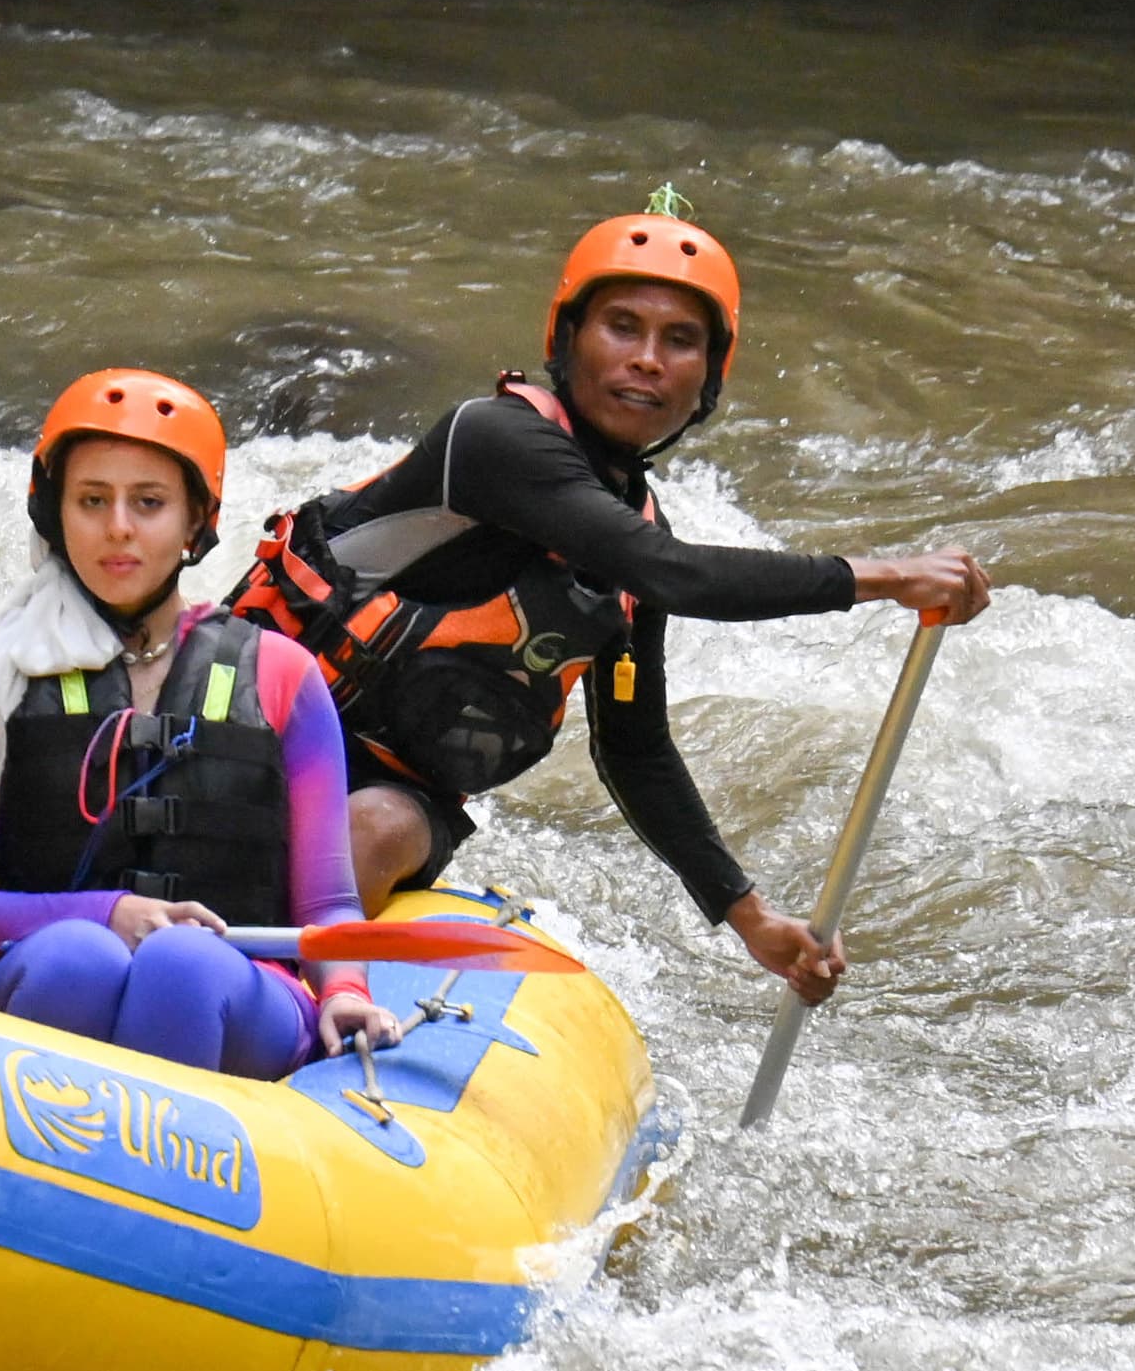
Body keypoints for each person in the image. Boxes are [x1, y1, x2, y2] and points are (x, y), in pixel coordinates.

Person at [230, 196, 993, 1005]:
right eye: (622, 328)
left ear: (709, 376)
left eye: (680, 341)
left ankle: (285, 1010)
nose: (648, 360)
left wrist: (751, 918)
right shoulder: (491, 441)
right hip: (251, 734)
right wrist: (884, 578)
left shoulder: (636, 539)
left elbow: (635, 752)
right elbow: (678, 575)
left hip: (395, 798)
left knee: (374, 829)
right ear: (567, 341)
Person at [0, 369, 404, 1080]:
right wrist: (105, 913)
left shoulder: (283, 676)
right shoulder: (0, 672)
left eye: (148, 502)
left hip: (234, 986)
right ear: (55, 513)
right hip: (47, 973)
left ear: (194, 522)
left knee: (183, 965)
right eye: (91, 500)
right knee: (77, 956)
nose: (118, 526)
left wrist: (346, 989)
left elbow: (326, 903)